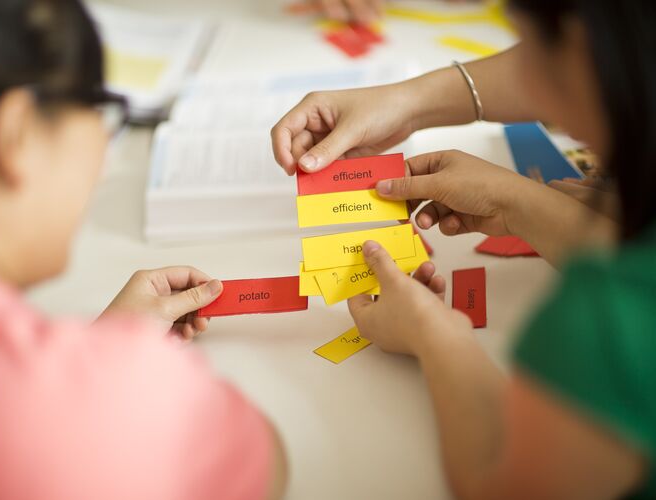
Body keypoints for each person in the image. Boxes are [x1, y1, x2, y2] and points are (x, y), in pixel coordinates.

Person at [272, 0, 655, 498]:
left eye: (526, 42)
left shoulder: (601, 322)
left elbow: (502, 484)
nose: (523, 80)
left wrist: (432, 332)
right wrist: (522, 202)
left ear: (582, 47)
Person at [0, 1, 286, 499]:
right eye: (104, 118)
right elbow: (270, 464)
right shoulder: (102, 401)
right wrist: (112, 369)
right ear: (14, 134)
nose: (104, 165)